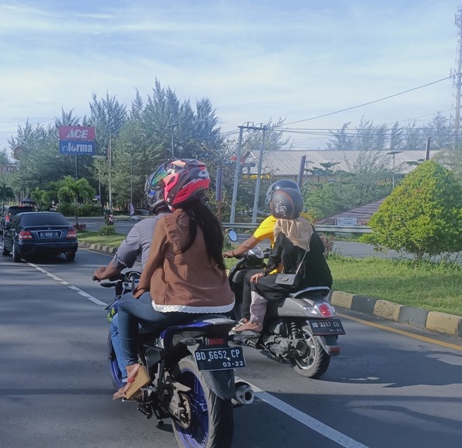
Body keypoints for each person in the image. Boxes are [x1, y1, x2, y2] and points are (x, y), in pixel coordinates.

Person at [113, 159, 234, 400]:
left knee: (124, 306)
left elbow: (152, 262)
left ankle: (132, 371)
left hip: (178, 306)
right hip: (222, 306)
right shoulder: (212, 224)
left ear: (174, 187)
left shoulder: (167, 222)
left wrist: (141, 287)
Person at [92, 164, 173, 380]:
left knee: (122, 314)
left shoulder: (150, 226)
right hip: (214, 304)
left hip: (170, 302)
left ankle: (133, 376)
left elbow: (120, 263)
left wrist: (103, 273)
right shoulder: (202, 226)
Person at [232, 187, 332, 333]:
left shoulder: (282, 226)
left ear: (278, 206)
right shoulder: (307, 225)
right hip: (324, 280)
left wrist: (265, 273)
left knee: (255, 282)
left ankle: (254, 322)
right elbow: (321, 249)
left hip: (297, 280)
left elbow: (275, 256)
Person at [224, 179, 312, 323]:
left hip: (283, 273)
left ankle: (248, 320)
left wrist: (232, 253)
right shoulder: (306, 219)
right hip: (304, 271)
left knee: (249, 277)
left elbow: (249, 243)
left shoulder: (274, 221)